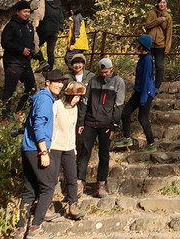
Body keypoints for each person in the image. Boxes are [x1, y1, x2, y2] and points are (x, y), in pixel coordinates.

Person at [13, 69, 67, 237]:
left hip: (28, 147)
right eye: (56, 82)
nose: (60, 85)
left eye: (62, 82)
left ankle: (20, 228)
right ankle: (35, 227)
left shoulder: (41, 97)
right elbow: (38, 127)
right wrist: (43, 151)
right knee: (48, 186)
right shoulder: (44, 99)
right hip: (36, 149)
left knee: (29, 190)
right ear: (47, 82)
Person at [77, 57, 125, 198]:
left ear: (112, 69)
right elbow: (85, 102)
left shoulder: (118, 82)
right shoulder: (93, 81)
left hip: (106, 124)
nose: (104, 75)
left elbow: (118, 105)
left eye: (107, 72)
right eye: (102, 72)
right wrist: (81, 122)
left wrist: (113, 126)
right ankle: (80, 181)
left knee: (104, 154)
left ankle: (101, 183)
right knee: (85, 151)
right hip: (90, 123)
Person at [50, 81, 86, 221]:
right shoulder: (57, 106)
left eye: (79, 97)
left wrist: (74, 148)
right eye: (75, 96)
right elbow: (51, 126)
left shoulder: (75, 109)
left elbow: (72, 129)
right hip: (55, 147)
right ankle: (47, 206)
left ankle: (73, 205)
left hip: (69, 148)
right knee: (52, 179)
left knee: (72, 178)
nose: (77, 100)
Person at [116, 34, 157, 151]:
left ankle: (151, 144)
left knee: (143, 118)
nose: (136, 45)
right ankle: (127, 138)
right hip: (139, 91)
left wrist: (144, 98)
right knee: (125, 113)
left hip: (146, 93)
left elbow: (146, 80)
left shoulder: (148, 60)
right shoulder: (142, 58)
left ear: (143, 46)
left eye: (138, 43)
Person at [0, 0, 38, 117]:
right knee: (9, 90)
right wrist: (21, 50)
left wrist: (31, 51)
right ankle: (5, 116)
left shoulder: (29, 26)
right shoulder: (11, 26)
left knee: (31, 87)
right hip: (13, 63)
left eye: (29, 12)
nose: (27, 14)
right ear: (18, 12)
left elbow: (31, 43)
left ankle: (19, 109)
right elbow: (5, 43)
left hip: (25, 63)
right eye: (24, 11)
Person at [144, 0, 173, 89]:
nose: (162, 4)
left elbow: (169, 33)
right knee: (147, 64)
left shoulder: (168, 17)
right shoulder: (151, 13)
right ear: (157, 3)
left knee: (159, 66)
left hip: (161, 44)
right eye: (160, 2)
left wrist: (167, 47)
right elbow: (147, 25)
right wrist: (160, 20)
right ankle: (147, 84)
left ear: (166, 4)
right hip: (149, 44)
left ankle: (157, 86)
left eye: (164, 2)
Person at [36, 0, 64, 72]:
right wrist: (60, 29)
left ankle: (42, 61)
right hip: (55, 31)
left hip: (44, 30)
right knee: (50, 51)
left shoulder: (44, 5)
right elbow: (61, 19)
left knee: (34, 45)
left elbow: (41, 17)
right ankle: (50, 69)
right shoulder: (58, 7)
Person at [64, 3, 90, 67]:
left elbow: (76, 31)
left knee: (68, 57)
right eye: (71, 9)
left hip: (77, 44)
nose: (71, 10)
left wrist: (72, 44)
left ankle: (75, 72)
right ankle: (80, 73)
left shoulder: (77, 18)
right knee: (77, 59)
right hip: (81, 43)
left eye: (72, 9)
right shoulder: (79, 17)